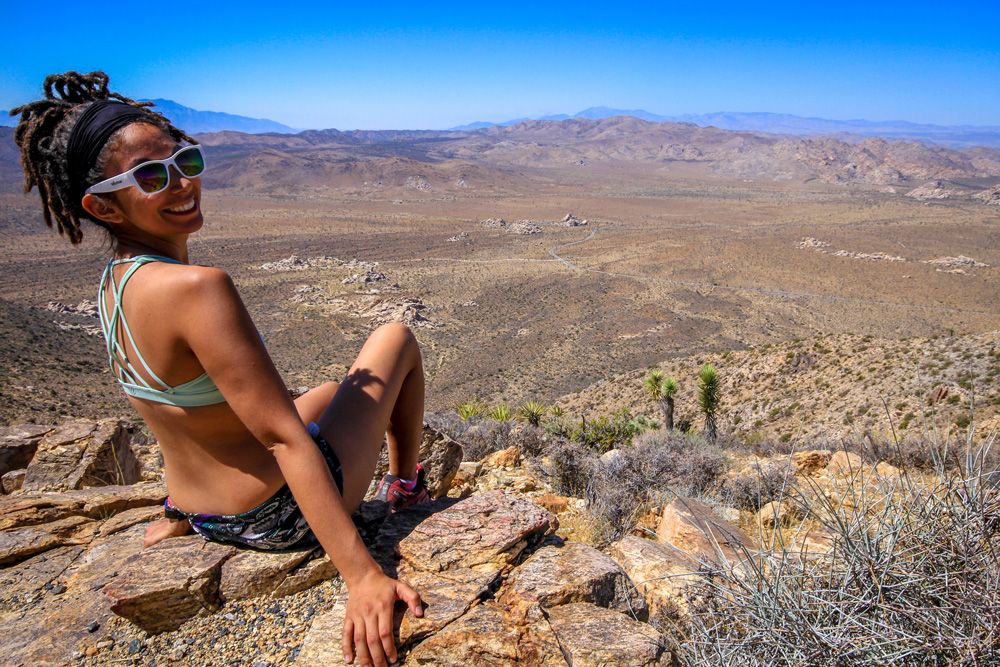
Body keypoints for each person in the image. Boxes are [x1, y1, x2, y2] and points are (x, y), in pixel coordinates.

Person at [11, 71, 427, 667]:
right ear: (103, 204)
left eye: (186, 160)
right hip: (274, 517)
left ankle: (189, 512)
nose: (181, 183)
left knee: (333, 391)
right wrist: (362, 577)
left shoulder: (115, 284)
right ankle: (407, 484)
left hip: (198, 510)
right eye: (152, 177)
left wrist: (182, 513)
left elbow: (175, 414)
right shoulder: (198, 288)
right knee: (395, 337)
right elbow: (282, 437)